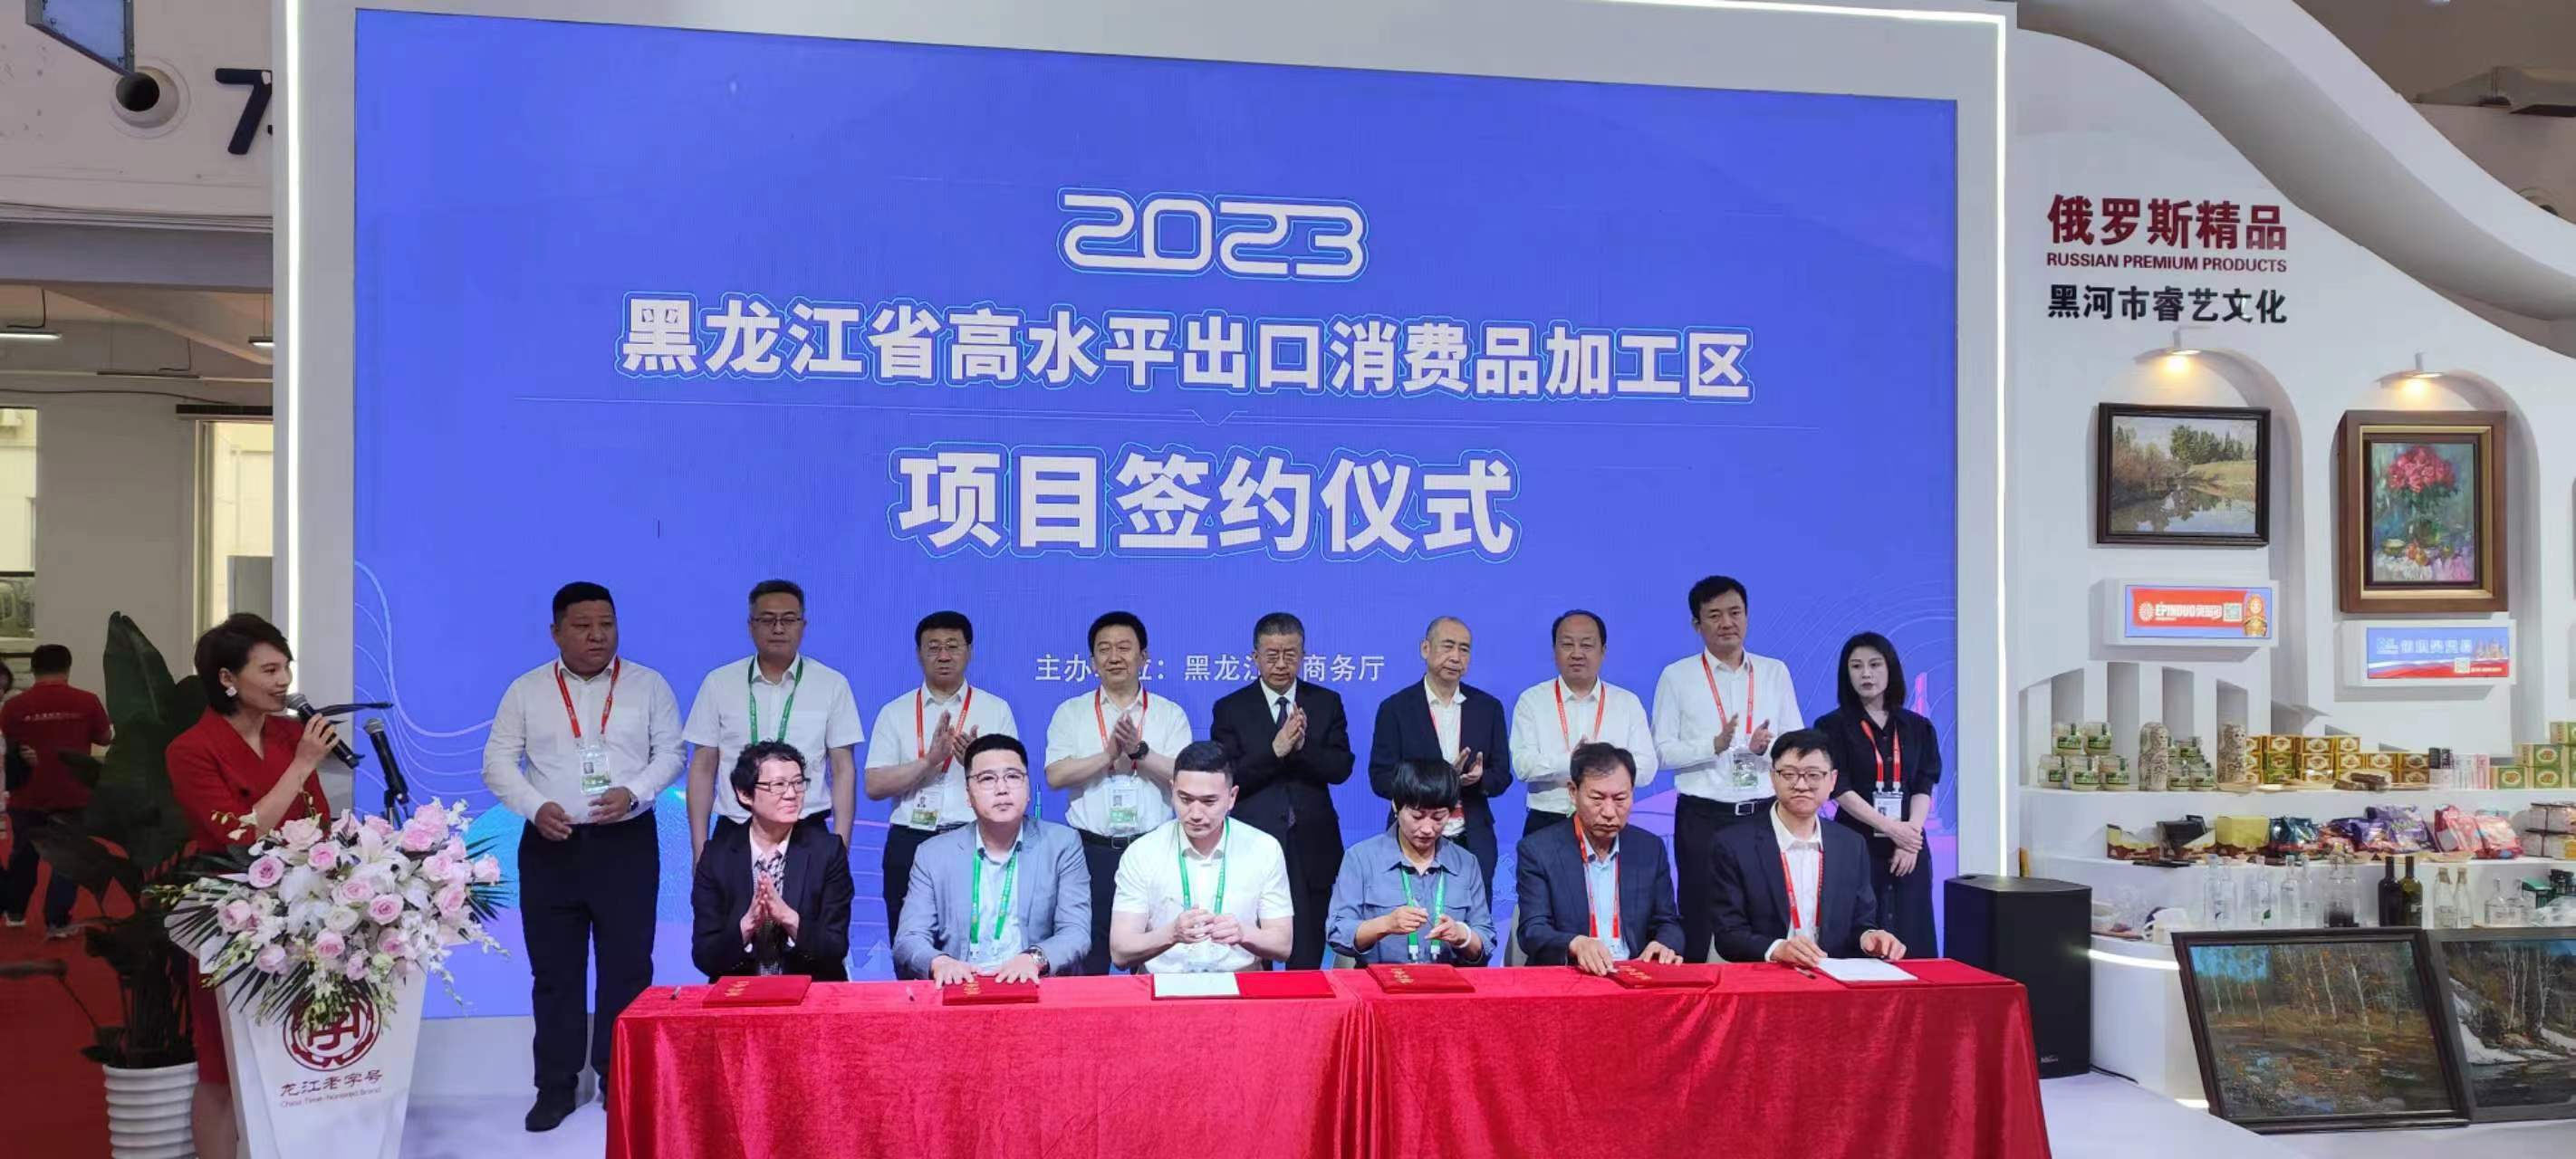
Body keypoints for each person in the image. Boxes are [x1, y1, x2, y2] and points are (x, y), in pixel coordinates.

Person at [481, 582, 683, 1133]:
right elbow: (497, 762)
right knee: (555, 971)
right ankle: (555, 1087)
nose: (598, 636)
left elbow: (672, 753)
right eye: (583, 626)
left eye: (607, 624)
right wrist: (534, 807)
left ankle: (622, 1080)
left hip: (626, 844)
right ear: (556, 632)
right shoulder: (526, 690)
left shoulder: (648, 684)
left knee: (628, 967)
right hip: (552, 844)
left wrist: (634, 793)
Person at [165, 614, 341, 1159]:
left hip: (301, 912)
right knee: (222, 1065)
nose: (284, 680)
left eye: (286, 667)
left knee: (300, 1053)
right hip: (230, 917)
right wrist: (302, 765)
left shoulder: (290, 733)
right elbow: (237, 833)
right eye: (269, 670)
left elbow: (317, 821)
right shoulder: (191, 749)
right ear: (227, 678)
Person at [1652, 575, 1804, 963]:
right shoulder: (1676, 676)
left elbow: (1796, 745)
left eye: (1735, 612)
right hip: (1703, 816)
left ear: (1747, 616)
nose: (1727, 623)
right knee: (1698, 912)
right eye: (1715, 615)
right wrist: (1714, 746)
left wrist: (1766, 749)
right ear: (1697, 624)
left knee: (1765, 910)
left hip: (1763, 813)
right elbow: (1662, 752)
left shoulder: (1774, 672)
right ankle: (1694, 988)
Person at [862, 610, 1017, 972]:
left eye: (952, 646)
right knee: (910, 945)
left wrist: (975, 762)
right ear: (919, 653)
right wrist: (928, 762)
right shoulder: (895, 712)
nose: (943, 656)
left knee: (974, 946)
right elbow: (874, 785)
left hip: (974, 840)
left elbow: (1012, 785)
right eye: (933, 647)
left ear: (969, 651)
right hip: (910, 840)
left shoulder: (995, 709)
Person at [1043, 611, 1190, 975]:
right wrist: (1107, 756)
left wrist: (1140, 753)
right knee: (1088, 958)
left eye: (1124, 648)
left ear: (1144, 656)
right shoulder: (1071, 713)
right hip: (1089, 852)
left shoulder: (1169, 714)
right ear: (1092, 661)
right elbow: (1055, 775)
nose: (1114, 657)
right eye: (1104, 649)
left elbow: (1186, 778)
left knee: (1155, 958)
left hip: (1153, 850)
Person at [1206, 611, 1352, 969]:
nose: (1282, 664)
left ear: (1303, 655)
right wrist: (1275, 750)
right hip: (1251, 842)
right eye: (1272, 655)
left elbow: (1341, 768)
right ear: (1255, 657)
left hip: (1313, 845)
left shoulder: (1326, 702)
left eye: (1291, 654)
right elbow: (1226, 778)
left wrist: (1302, 748)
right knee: (1251, 953)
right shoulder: (1230, 708)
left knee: (1307, 954)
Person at [683, 580, 863, 862]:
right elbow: (703, 768)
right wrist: (699, 850)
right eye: (767, 620)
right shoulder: (719, 683)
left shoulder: (831, 684)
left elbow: (843, 769)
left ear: (803, 625)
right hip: (736, 828)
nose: (778, 628)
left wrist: (840, 848)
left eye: (788, 620)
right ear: (750, 625)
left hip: (806, 830)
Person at [894, 734, 1091, 982]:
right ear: (968, 794)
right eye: (987, 779)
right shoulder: (933, 854)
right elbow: (909, 938)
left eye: (1013, 777)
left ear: (1028, 789)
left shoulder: (1062, 844)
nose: (1002, 789)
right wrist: (940, 962)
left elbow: (1076, 932)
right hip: (962, 984)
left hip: (1033, 983)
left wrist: (1034, 959)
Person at [1709, 730, 1906, 966]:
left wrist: (1869, 938)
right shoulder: (1733, 844)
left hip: (1831, 976)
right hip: (1765, 976)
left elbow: (1860, 923)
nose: (1801, 785)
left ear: (1832, 780)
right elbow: (1728, 935)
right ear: (1773, 777)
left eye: (1813, 775)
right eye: (1789, 774)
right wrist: (1778, 949)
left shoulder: (1851, 845)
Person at [1110, 741, 1294, 972]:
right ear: (1172, 791)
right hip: (1165, 983)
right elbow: (1120, 951)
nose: (1195, 814)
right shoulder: (1143, 852)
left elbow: (1283, 945)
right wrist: (1171, 934)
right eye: (1185, 799)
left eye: (1209, 801)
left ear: (1232, 797)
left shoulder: (1263, 849)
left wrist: (1243, 933)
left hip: (1239, 983)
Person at [1814, 632, 1942, 956]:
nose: (1866, 674)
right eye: (1856, 666)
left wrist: (1910, 837)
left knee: (1912, 932)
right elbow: (1839, 787)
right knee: (1858, 930)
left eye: (1874, 665)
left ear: (1890, 669)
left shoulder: (1918, 727)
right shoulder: (1831, 726)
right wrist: (1890, 828)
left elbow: (1924, 784)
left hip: (1909, 845)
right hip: (1855, 842)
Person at [1368, 617, 1511, 895]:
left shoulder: (1488, 708)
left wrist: (1478, 780)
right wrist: (1441, 781)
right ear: (1425, 649)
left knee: (1473, 917)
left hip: (1473, 840)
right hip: (1412, 837)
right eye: (1448, 646)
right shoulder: (1396, 708)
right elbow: (1381, 778)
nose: (1456, 657)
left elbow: (1502, 776)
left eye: (1464, 649)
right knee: (1410, 917)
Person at [1513, 742, 1685, 973]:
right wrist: (1574, 943)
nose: (1609, 812)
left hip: (1634, 974)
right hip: (1571, 975)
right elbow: (1532, 930)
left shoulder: (1650, 849)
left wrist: (1664, 943)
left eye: (1620, 798)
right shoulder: (1538, 850)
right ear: (1573, 792)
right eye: (1597, 798)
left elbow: (1668, 922)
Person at [1328, 760, 1495, 966]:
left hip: (1447, 983)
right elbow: (1338, 932)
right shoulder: (1361, 858)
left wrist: (1463, 935)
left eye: (1438, 817)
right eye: (1417, 816)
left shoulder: (1466, 863)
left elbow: (1486, 941)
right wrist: (1386, 924)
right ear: (1396, 806)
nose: (1427, 829)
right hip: (1379, 982)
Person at [1509, 610, 1658, 838]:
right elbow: (1523, 765)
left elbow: (1647, 768)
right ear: (1554, 650)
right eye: (1567, 644)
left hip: (1609, 818)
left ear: (1603, 651)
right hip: (1548, 820)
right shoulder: (1532, 700)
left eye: (1587, 645)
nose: (1577, 653)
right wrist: (1574, 761)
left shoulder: (1627, 702)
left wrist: (1602, 769)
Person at [1, 644, 112, 935]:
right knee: (68, 859)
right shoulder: (87, 701)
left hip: (27, 794)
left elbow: (10, 743)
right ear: (68, 667)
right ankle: (57, 920)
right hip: (73, 793)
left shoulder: (14, 706)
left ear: (33, 668)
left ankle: (15, 912)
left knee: (23, 855)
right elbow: (105, 738)